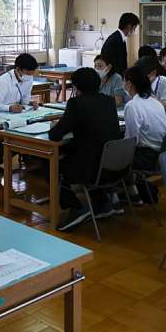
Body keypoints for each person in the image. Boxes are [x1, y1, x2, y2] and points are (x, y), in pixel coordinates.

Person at [48, 67, 121, 231]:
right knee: (82, 152)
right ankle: (102, 204)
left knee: (52, 164)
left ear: (76, 87)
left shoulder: (76, 103)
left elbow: (55, 135)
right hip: (113, 164)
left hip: (91, 167)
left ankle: (77, 208)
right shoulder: (109, 101)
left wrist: (56, 125)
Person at [124, 65, 166, 175]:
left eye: (124, 81)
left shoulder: (132, 105)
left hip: (146, 158)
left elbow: (132, 141)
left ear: (129, 83)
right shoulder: (156, 102)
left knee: (108, 156)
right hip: (162, 154)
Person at [135, 56, 166, 126]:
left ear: (153, 73)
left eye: (142, 75)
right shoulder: (140, 83)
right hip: (150, 121)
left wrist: (150, 97)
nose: (139, 78)